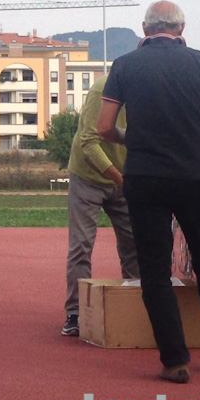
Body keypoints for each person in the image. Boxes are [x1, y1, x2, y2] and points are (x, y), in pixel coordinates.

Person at [97, 0, 200, 383]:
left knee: (154, 268)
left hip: (145, 177)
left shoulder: (125, 66)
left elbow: (103, 128)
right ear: (182, 29)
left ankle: (175, 361)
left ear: (144, 29)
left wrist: (131, 138)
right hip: (196, 176)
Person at [61, 75, 140, 337]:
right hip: (88, 176)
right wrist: (119, 179)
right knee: (81, 245)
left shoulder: (151, 91)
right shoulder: (102, 90)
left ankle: (135, 304)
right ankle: (76, 312)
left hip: (125, 174)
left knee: (134, 243)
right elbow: (88, 142)